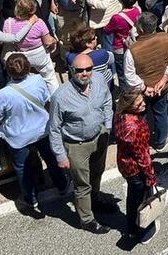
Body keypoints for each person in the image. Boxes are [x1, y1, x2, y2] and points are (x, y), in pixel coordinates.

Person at [0, 51, 71, 216]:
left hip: (18, 136)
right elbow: (45, 99)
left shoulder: (3, 94)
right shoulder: (38, 80)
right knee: (51, 158)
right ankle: (62, 185)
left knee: (22, 168)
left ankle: (31, 197)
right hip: (42, 129)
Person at [48, 52, 115, 234]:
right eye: (80, 70)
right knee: (82, 184)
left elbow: (108, 100)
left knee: (97, 172)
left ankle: (96, 199)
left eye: (88, 69)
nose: (85, 73)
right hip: (76, 146)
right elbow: (54, 129)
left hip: (99, 136)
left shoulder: (99, 79)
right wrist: (61, 155)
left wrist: (107, 126)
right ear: (71, 71)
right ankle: (87, 219)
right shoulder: (60, 97)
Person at [122, 12, 168, 151]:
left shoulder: (132, 51)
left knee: (142, 117)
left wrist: (145, 88)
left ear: (140, 29)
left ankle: (143, 143)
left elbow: (130, 76)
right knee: (161, 113)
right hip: (161, 87)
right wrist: (164, 79)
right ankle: (160, 142)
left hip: (142, 92)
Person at [113, 89, 159, 244]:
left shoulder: (120, 115)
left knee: (133, 198)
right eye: (139, 103)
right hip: (137, 169)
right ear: (129, 105)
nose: (144, 104)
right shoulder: (134, 128)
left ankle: (131, 228)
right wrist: (151, 177)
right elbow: (142, 158)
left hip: (125, 165)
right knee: (144, 201)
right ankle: (144, 232)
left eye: (143, 101)